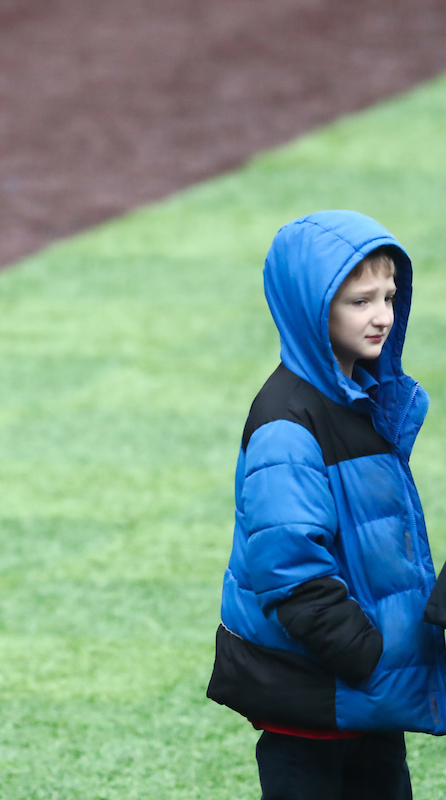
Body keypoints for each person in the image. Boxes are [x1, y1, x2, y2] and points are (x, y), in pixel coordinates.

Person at [206, 210, 446, 799]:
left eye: (389, 296)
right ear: (312, 309)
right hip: (320, 697)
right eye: (361, 301)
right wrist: (366, 657)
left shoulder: (362, 397)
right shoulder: (287, 423)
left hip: (366, 701)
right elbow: (289, 569)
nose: (383, 315)